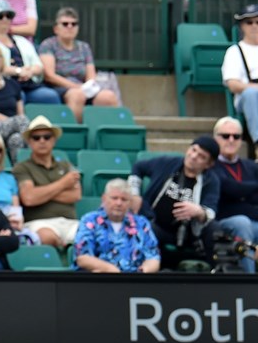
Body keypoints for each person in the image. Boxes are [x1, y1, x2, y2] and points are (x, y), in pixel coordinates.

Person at [129, 135, 222, 270]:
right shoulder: (167, 163)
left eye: (201, 156)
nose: (194, 156)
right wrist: (134, 194)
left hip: (190, 233)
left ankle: (214, 273)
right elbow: (138, 167)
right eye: (193, 150)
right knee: (147, 228)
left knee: (215, 228)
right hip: (156, 224)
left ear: (209, 164)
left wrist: (198, 212)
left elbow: (211, 212)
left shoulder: (211, 180)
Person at [37, 6, 120, 121]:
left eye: (74, 24)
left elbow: (91, 75)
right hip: (59, 88)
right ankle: (76, 135)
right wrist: (76, 87)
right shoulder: (48, 45)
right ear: (56, 28)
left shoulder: (84, 47)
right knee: (77, 95)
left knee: (108, 97)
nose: (70, 27)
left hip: (83, 88)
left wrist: (88, 87)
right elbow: (49, 75)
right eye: (65, 24)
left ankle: (106, 136)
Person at [13, 116, 82, 249]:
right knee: (46, 238)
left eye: (47, 137)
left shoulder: (66, 165)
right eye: (36, 138)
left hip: (70, 222)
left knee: (87, 237)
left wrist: (41, 193)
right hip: (39, 223)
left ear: (54, 140)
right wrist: (63, 183)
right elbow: (29, 198)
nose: (42, 141)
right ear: (29, 142)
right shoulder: (22, 168)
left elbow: (75, 195)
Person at [0, 0, 59, 106]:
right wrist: (18, 71)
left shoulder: (22, 40)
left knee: (49, 96)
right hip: (1, 86)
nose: (5, 19)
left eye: (9, 16)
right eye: (0, 16)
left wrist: (30, 72)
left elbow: (39, 66)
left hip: (30, 84)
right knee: (18, 96)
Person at [72, 178, 161, 273]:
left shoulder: (141, 223)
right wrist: (111, 270)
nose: (119, 203)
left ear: (130, 203)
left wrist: (143, 272)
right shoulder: (89, 220)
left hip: (134, 282)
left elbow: (153, 257)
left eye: (124, 199)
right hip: (100, 280)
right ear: (104, 198)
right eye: (114, 198)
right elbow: (82, 258)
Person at [209, 116, 258, 273]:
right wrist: (248, 192)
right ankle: (249, 284)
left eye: (236, 136)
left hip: (254, 222)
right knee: (242, 223)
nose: (231, 140)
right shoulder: (210, 164)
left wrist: (242, 191)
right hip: (224, 223)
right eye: (225, 136)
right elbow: (229, 188)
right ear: (215, 138)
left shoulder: (250, 166)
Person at [222, 4, 258, 145]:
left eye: (257, 22)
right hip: (247, 99)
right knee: (251, 94)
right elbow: (233, 84)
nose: (254, 26)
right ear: (242, 26)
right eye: (249, 22)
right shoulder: (234, 51)